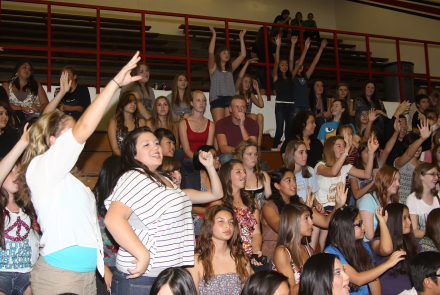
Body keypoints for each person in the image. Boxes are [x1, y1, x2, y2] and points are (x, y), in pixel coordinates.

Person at [21, 52, 144, 294]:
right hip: (60, 276)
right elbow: (87, 126)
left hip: (87, 276)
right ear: (53, 140)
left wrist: (103, 268)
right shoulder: (40, 168)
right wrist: (115, 84)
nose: (79, 133)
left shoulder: (73, 182)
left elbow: (87, 229)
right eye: (72, 130)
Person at [104, 128, 223, 293]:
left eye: (156, 143)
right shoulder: (134, 176)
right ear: (133, 154)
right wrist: (143, 255)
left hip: (164, 277)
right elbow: (113, 219)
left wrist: (210, 167)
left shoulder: (163, 180)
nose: (155, 147)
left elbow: (216, 194)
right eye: (147, 144)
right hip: (142, 277)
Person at [313, 133, 378, 250]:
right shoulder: (320, 166)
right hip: (322, 208)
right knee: (325, 238)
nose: (342, 148)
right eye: (339, 146)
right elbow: (333, 171)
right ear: (330, 149)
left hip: (340, 207)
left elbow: (367, 174)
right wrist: (346, 152)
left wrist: (371, 153)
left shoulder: (345, 167)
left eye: (344, 145)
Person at [324, 206, 407, 295]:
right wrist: (388, 264)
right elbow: (358, 279)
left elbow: (373, 279)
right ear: (346, 227)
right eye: (359, 224)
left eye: (362, 223)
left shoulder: (363, 245)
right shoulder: (331, 252)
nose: (363, 227)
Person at [0, 124, 39, 295]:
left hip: (27, 274)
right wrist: (23, 143)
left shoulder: (27, 206)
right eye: (11, 171)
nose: (17, 175)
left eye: (19, 171)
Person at [212, 159, 264, 270]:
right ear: (227, 176)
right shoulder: (219, 203)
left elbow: (256, 233)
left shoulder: (251, 201)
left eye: (244, 171)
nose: (244, 175)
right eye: (238, 172)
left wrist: (255, 251)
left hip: (249, 256)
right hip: (229, 257)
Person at [187, 205, 251, 294]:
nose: (227, 226)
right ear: (209, 225)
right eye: (221, 221)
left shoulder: (240, 257)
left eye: (231, 222)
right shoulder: (196, 260)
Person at [372, 203, 421, 295]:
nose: (409, 222)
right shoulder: (377, 241)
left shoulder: (411, 243)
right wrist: (383, 222)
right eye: (404, 218)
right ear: (393, 220)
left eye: (409, 217)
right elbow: (387, 249)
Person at [272, 36, 310, 148]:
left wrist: (305, 48)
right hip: (280, 106)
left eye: (286, 65)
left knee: (288, 131)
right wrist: (278, 46)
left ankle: (286, 150)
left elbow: (296, 63)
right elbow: (277, 61)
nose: (284, 66)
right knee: (279, 130)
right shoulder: (275, 76)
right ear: (279, 66)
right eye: (282, 65)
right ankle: (274, 149)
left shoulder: (291, 77)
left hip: (291, 106)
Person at [271, 203, 315, 295]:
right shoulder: (282, 252)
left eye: (310, 218)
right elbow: (291, 291)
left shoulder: (308, 250)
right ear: (293, 222)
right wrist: (318, 271)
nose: (311, 222)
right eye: (306, 218)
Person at [92, 155, 120, 295]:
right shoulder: (91, 200)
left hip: (123, 265)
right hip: (99, 266)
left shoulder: (124, 200)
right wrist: (103, 268)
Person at [208, 25, 246, 123]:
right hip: (217, 98)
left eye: (228, 53)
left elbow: (243, 55)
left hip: (230, 99)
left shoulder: (230, 68)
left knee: (228, 127)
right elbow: (211, 52)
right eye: (224, 52)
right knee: (219, 126)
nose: (227, 55)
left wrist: (241, 38)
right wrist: (214, 35)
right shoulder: (213, 68)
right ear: (219, 54)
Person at [357, 165, 400, 241]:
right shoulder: (368, 199)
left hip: (388, 242)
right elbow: (369, 235)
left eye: (398, 180)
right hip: (371, 244)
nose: (398, 184)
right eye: (394, 180)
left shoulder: (395, 201)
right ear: (384, 179)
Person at [395, 120, 432, 204]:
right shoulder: (400, 162)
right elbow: (408, 154)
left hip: (418, 205)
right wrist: (422, 138)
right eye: (415, 146)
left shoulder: (423, 165)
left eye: (420, 146)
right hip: (401, 205)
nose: (418, 148)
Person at [185, 145, 220, 233]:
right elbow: (189, 207)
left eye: (216, 155)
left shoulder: (220, 176)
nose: (218, 159)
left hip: (218, 213)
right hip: (200, 215)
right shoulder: (192, 178)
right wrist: (208, 211)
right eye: (214, 156)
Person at [178, 90, 215, 173]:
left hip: (205, 157)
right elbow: (186, 150)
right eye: (198, 100)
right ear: (191, 103)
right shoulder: (183, 124)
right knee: (193, 164)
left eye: (203, 100)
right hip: (190, 159)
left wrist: (204, 159)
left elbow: (208, 148)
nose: (201, 103)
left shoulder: (211, 124)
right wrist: (198, 159)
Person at [215, 95, 258, 164]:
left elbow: (252, 147)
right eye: (236, 107)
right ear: (230, 109)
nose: (240, 110)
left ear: (245, 109)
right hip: (230, 154)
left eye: (242, 107)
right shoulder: (221, 123)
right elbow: (223, 148)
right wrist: (238, 152)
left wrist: (242, 126)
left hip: (247, 156)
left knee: (252, 158)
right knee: (227, 157)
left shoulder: (253, 124)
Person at [291, 39, 328, 117]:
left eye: (301, 64)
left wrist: (321, 48)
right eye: (297, 64)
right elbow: (291, 60)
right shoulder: (292, 76)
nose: (300, 66)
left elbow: (314, 63)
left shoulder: (305, 76)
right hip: (296, 105)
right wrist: (305, 49)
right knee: (297, 127)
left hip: (306, 106)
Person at [235, 58, 265, 147]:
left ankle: (258, 144)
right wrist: (247, 62)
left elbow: (261, 105)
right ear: (241, 83)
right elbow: (240, 77)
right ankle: (250, 141)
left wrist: (257, 90)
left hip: (249, 117)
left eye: (249, 82)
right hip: (239, 117)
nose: (248, 84)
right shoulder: (237, 92)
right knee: (253, 116)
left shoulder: (250, 94)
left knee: (260, 116)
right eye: (245, 81)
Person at [233, 140, 271, 210]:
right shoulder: (235, 176)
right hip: (242, 215)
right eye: (250, 154)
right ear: (241, 156)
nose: (254, 157)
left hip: (261, 215)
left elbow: (270, 199)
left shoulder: (263, 175)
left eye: (256, 154)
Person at [407, 162, 440, 238]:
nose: (436, 178)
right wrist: (434, 234)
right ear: (421, 176)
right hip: (422, 243)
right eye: (433, 174)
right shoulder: (412, 199)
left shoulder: (438, 196)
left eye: (437, 175)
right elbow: (414, 231)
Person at [283, 140, 320, 204]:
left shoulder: (310, 171)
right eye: (301, 152)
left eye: (306, 152)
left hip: (307, 208)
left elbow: (312, 194)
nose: (305, 155)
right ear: (292, 155)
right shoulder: (283, 173)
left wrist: (317, 204)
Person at [251, 27, 277, 95]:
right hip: (271, 65)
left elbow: (253, 56)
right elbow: (276, 56)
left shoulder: (257, 43)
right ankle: (277, 100)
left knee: (263, 84)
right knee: (273, 84)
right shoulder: (272, 43)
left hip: (261, 65)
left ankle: (263, 102)